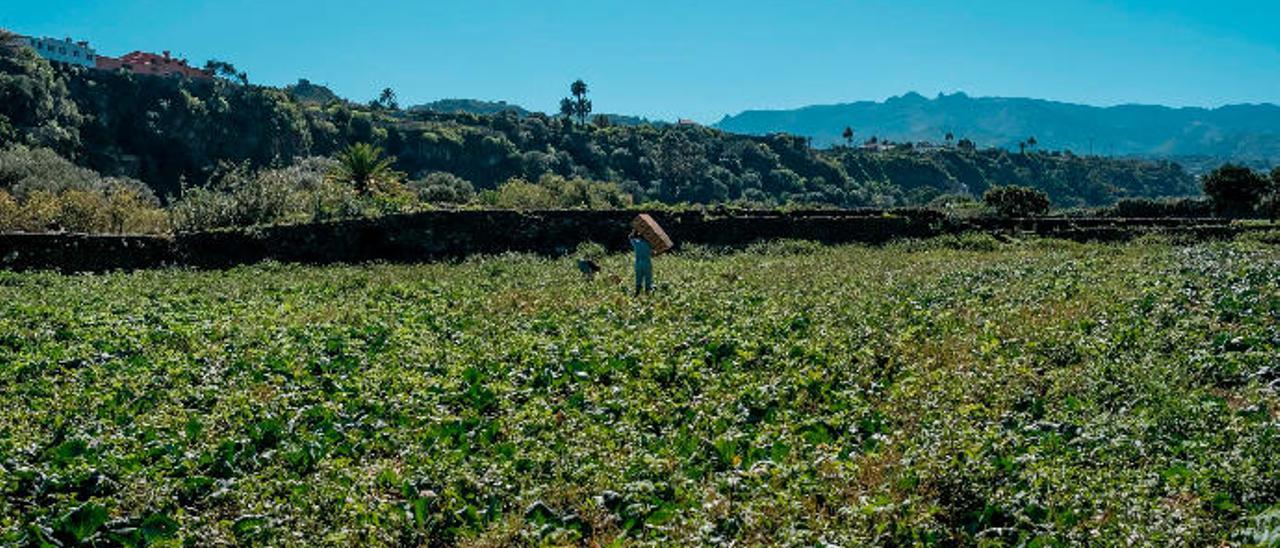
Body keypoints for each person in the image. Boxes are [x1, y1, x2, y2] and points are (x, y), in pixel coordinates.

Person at [629, 230, 654, 295]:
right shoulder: (649, 244)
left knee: (638, 278)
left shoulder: (636, 243)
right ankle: (647, 292)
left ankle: (637, 292)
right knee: (648, 278)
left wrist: (635, 231)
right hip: (646, 263)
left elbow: (630, 237)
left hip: (638, 263)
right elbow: (653, 252)